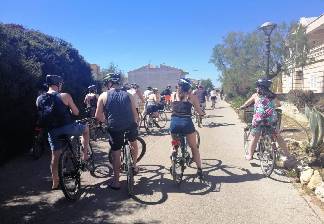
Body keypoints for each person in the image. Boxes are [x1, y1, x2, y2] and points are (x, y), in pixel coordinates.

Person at [36, 75, 90, 190]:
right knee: (86, 129)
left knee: (55, 156)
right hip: (67, 127)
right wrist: (69, 109)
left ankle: (55, 183)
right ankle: (84, 155)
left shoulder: (39, 99)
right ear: (58, 84)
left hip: (52, 131)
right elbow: (76, 112)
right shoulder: (65, 96)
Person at [95, 73, 139, 190]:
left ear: (109, 83)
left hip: (114, 127)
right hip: (129, 125)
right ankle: (134, 166)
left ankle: (116, 181)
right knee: (133, 143)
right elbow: (135, 114)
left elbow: (98, 116)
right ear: (118, 83)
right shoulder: (129, 94)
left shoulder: (103, 95)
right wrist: (136, 124)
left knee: (116, 152)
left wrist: (105, 122)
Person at [239, 78, 290, 161]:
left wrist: (242, 107)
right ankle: (288, 155)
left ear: (259, 87)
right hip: (271, 119)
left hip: (259, 120)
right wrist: (272, 106)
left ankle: (250, 155)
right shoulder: (273, 96)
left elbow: (246, 103)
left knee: (255, 137)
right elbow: (279, 104)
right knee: (277, 136)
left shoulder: (255, 95)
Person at [170, 78, 205, 178]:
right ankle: (199, 170)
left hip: (174, 124)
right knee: (194, 147)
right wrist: (202, 114)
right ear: (189, 87)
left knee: (174, 144)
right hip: (187, 124)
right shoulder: (192, 97)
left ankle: (173, 155)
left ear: (179, 86)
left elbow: (171, 106)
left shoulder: (173, 95)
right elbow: (198, 110)